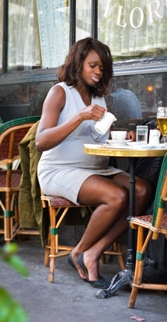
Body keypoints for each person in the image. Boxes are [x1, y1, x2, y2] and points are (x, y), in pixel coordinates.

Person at [35, 37, 152, 289]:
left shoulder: (99, 100)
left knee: (141, 191)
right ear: (78, 63)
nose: (99, 72)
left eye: (102, 68)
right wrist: (79, 117)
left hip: (96, 169)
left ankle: (91, 251)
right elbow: (41, 141)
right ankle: (82, 253)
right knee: (117, 196)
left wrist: (121, 138)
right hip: (59, 170)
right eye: (93, 65)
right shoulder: (60, 93)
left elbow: (98, 137)